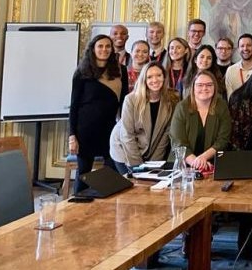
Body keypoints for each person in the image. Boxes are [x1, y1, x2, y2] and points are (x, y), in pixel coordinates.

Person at [68, 34, 128, 193]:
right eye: (100, 46)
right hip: (85, 130)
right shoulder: (81, 72)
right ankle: (77, 208)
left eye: (108, 46)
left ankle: (103, 208)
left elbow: (124, 103)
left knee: (111, 171)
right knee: (84, 174)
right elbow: (73, 106)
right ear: (93, 49)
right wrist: (72, 135)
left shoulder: (121, 71)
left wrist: (124, 129)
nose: (104, 49)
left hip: (110, 130)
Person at [110, 61, 179, 174]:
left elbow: (165, 136)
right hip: (124, 148)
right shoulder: (131, 100)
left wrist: (154, 166)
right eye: (150, 77)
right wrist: (138, 167)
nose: (155, 80)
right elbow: (127, 135)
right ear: (144, 80)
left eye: (158, 75)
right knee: (133, 184)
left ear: (164, 77)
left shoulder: (172, 100)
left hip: (150, 151)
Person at [169, 69, 231, 172]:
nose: (204, 88)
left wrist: (203, 158)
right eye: (200, 85)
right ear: (193, 87)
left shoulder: (221, 106)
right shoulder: (182, 107)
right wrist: (197, 163)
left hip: (211, 166)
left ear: (215, 87)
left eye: (209, 85)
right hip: (183, 165)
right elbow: (178, 141)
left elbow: (222, 140)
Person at [225, 33, 252, 98]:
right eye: (242, 46)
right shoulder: (231, 70)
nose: (245, 48)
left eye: (249, 45)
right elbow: (230, 97)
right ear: (238, 49)